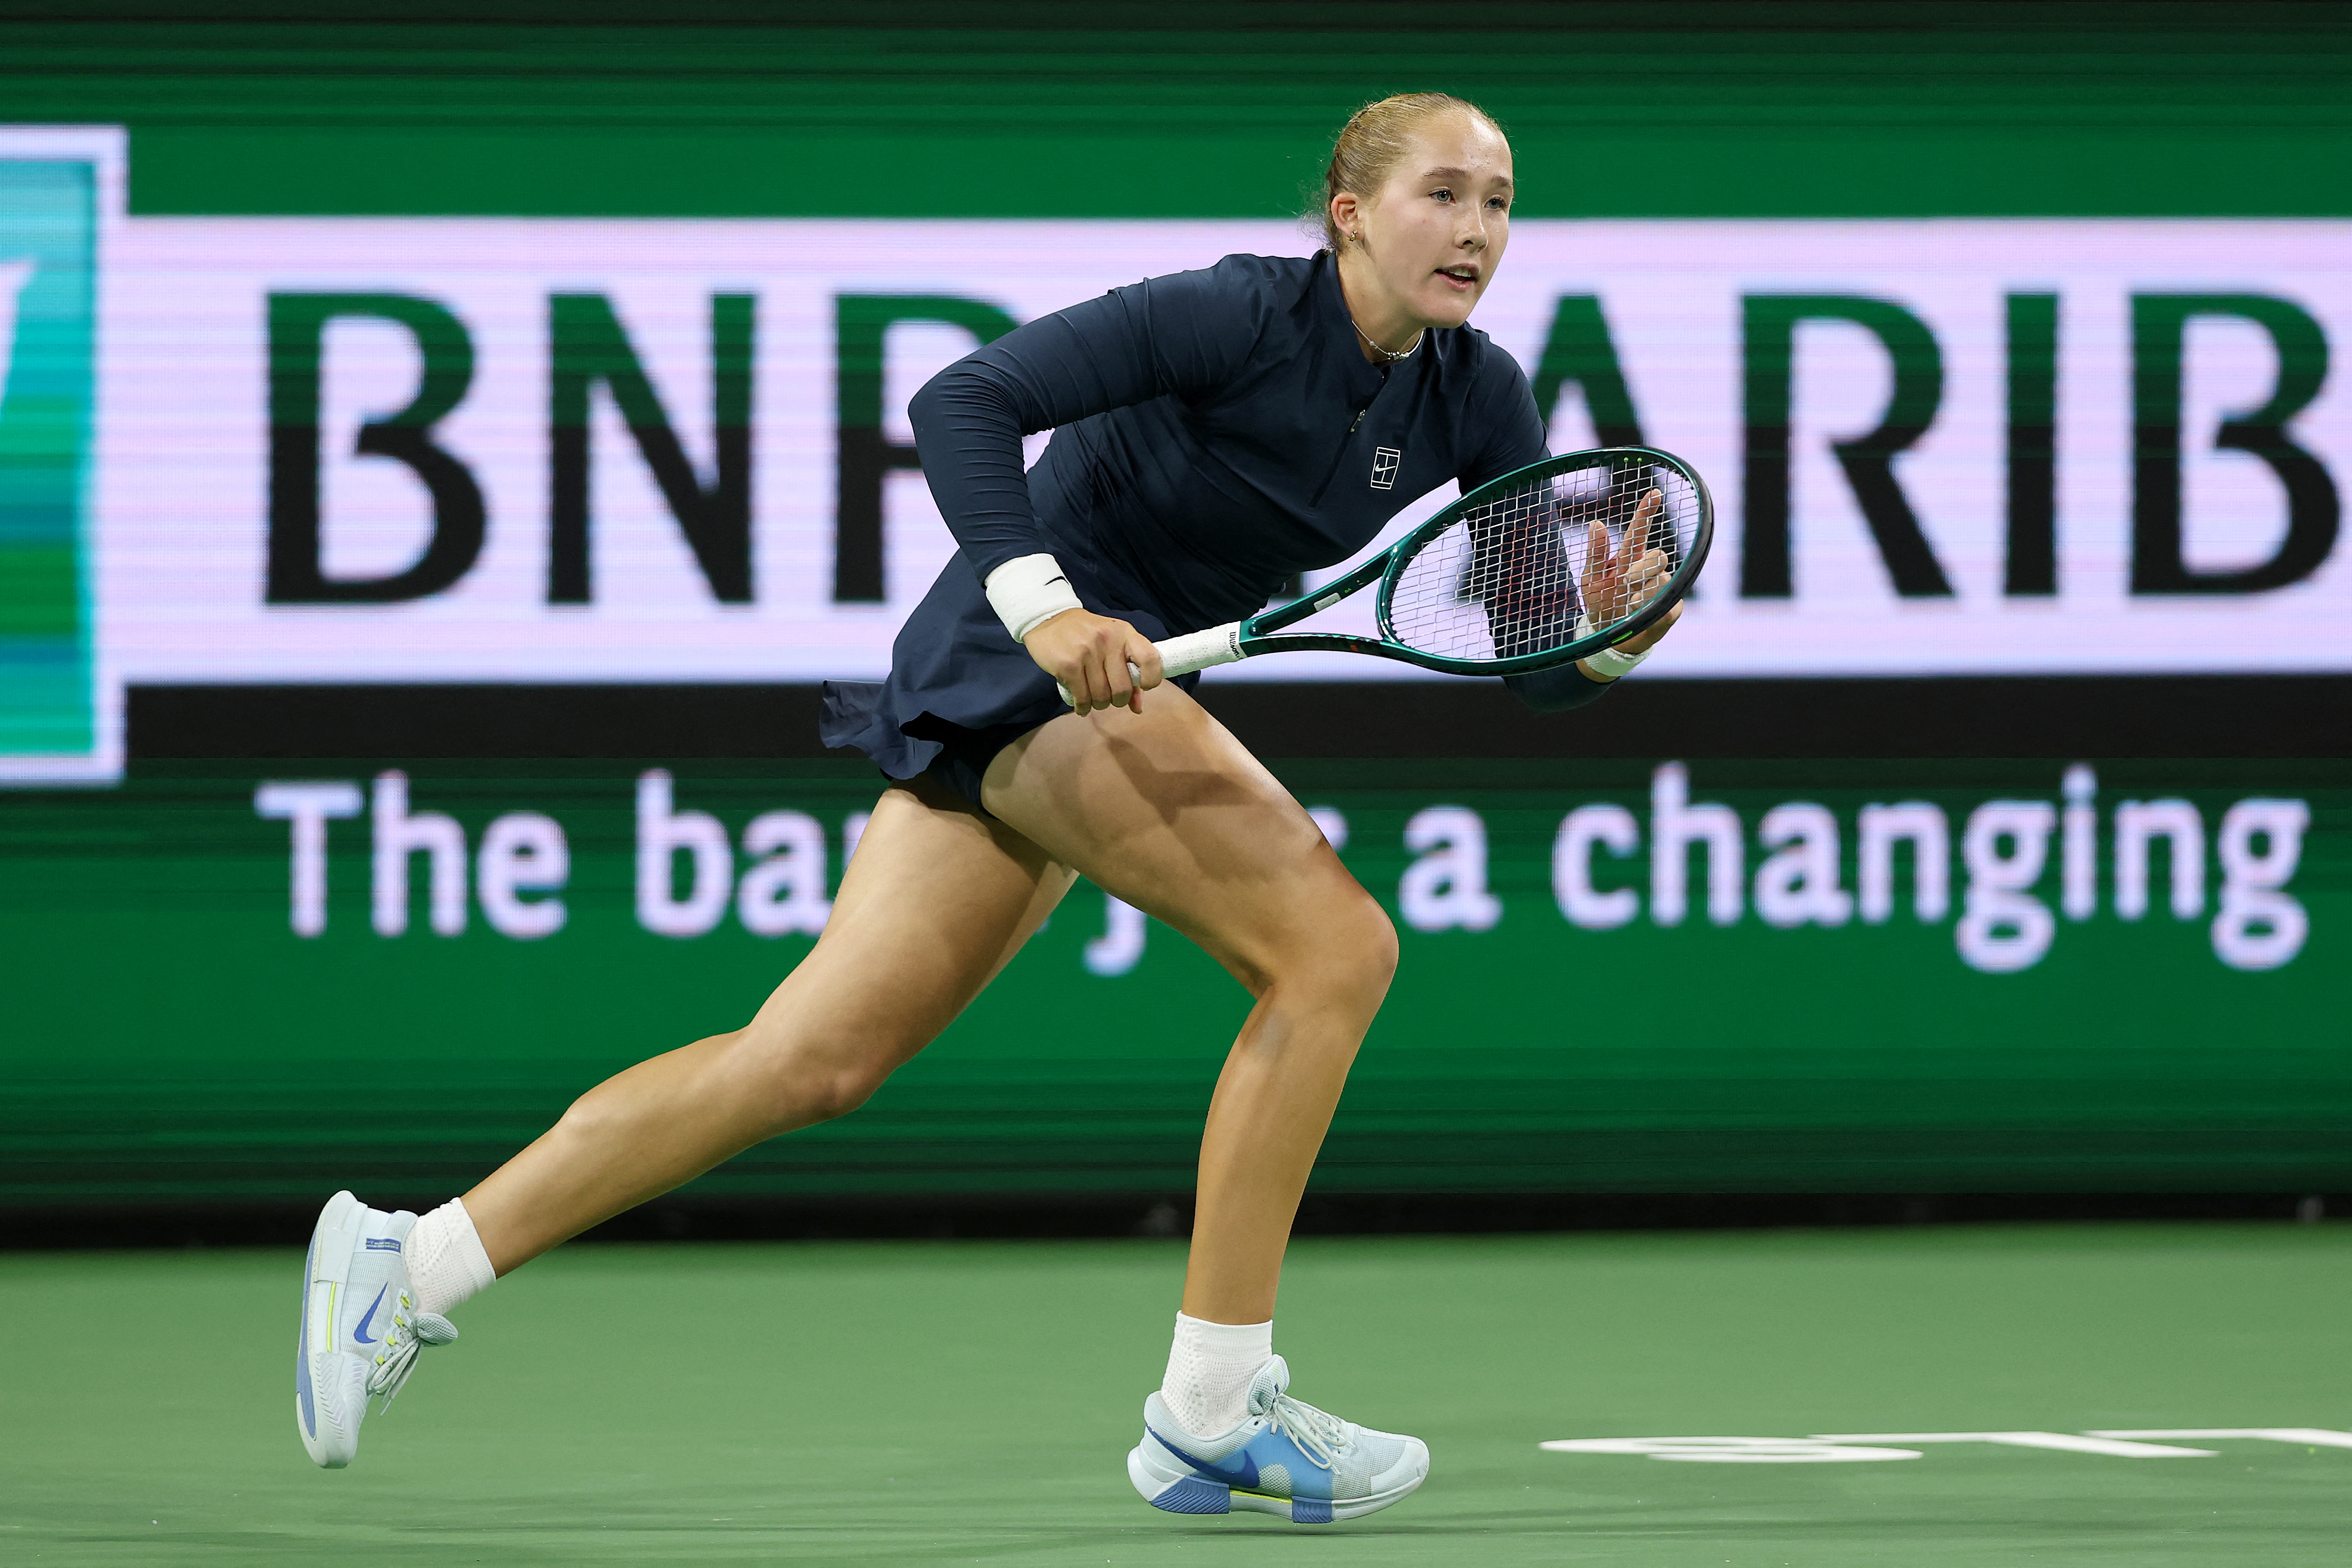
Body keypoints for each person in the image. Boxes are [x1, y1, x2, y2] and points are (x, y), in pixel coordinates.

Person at [293, 91, 1682, 1525]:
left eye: (1499, 202)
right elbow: (962, 399)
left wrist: (1600, 640)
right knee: (1337, 951)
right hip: (1021, 663)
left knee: (812, 1057)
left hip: (1104, 690)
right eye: (1442, 195)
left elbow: (1531, 670)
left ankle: (416, 1259)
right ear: (1350, 211)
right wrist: (1046, 608)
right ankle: (1213, 1404)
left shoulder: (1479, 394)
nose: (1475, 230)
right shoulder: (1232, 316)